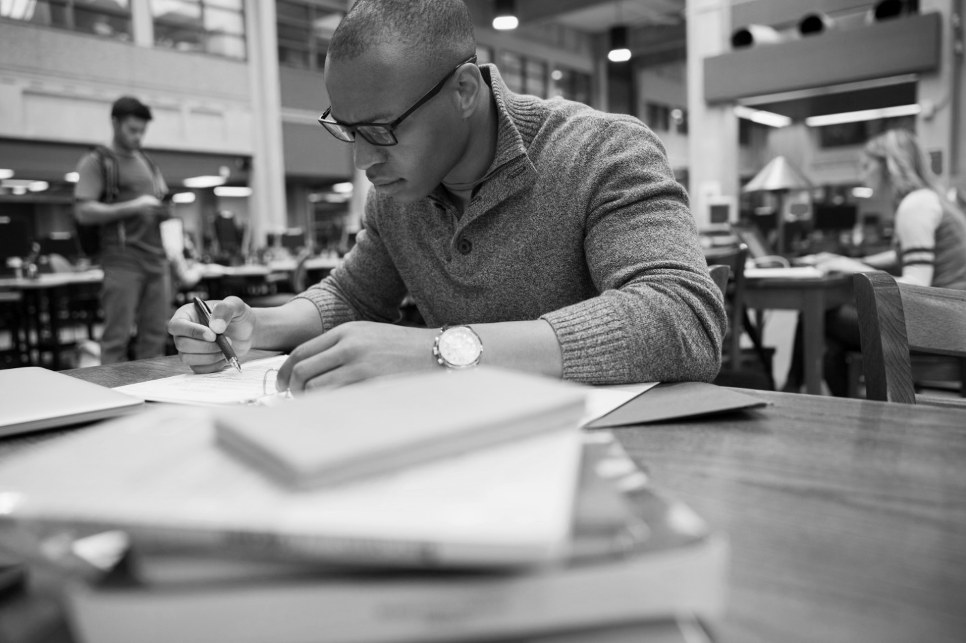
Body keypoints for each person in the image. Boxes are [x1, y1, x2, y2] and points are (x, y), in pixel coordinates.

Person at [167, 0, 726, 391]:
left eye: (383, 130)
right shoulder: (398, 196)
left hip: (617, 458)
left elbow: (684, 318)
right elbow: (356, 295)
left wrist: (443, 352)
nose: (364, 161)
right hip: (465, 453)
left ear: (463, 90)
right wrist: (259, 327)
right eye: (348, 130)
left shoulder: (602, 150)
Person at [783, 128, 966, 395]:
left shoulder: (915, 206)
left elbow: (918, 285)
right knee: (827, 341)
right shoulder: (934, 199)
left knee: (817, 316)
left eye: (866, 165)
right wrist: (848, 260)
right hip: (953, 319)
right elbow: (907, 255)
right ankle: (849, 408)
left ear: (889, 165)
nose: (862, 174)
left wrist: (855, 267)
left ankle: (793, 390)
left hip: (936, 326)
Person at [75, 96, 171, 364]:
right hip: (122, 260)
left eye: (142, 130)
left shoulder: (148, 163)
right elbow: (83, 211)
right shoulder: (97, 162)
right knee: (116, 337)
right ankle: (113, 397)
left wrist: (162, 212)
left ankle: (152, 397)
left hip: (156, 258)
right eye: (132, 130)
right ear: (115, 123)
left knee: (155, 336)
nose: (138, 136)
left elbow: (160, 199)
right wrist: (133, 207)